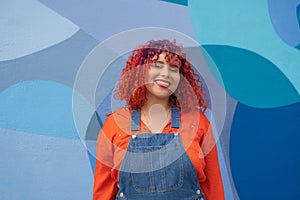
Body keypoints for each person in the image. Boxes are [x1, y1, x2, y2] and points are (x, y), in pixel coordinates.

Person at [93, 40, 225, 200]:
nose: (166, 73)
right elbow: (102, 193)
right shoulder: (115, 124)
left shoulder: (197, 122)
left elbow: (214, 188)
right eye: (157, 65)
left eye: (173, 68)